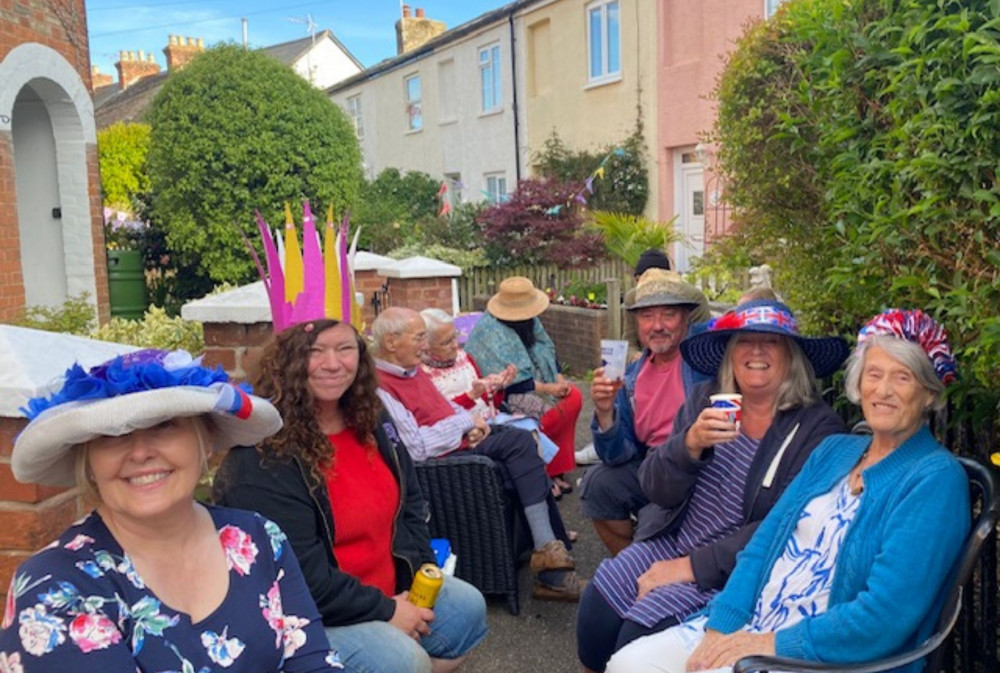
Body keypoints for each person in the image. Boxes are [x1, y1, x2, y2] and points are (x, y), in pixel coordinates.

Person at [606, 308, 969, 673]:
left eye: (903, 378)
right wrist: (720, 626)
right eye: (874, 374)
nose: (884, 390)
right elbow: (764, 544)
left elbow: (885, 616)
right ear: (859, 385)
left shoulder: (935, 480)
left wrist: (768, 643)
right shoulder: (835, 451)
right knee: (628, 663)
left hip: (821, 655)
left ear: (929, 394)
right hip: (755, 625)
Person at [0, 349, 341, 672]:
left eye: (163, 425)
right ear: (89, 461)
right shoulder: (54, 586)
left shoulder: (257, 538)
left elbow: (314, 662)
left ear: (205, 441)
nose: (140, 452)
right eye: (113, 435)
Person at [576, 299, 849, 673]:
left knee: (635, 635)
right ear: (729, 354)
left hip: (733, 572)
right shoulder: (704, 399)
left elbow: (787, 528)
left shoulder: (817, 429)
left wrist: (689, 567)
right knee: (597, 609)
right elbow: (655, 488)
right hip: (670, 538)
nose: (755, 351)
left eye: (770, 341)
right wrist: (689, 445)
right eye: (743, 341)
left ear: (792, 355)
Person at [211, 320, 487, 673]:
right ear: (289, 363)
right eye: (315, 352)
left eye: (345, 349)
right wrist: (388, 612)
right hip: (313, 614)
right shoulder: (265, 456)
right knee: (403, 661)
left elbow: (411, 505)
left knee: (466, 606)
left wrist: (416, 578)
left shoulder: (370, 418)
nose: (333, 363)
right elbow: (302, 579)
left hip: (387, 588)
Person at [371, 307, 584, 602]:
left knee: (524, 451)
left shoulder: (411, 371)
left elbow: (447, 408)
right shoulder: (381, 387)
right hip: (441, 466)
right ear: (391, 342)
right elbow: (414, 447)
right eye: (419, 337)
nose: (425, 344)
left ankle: (550, 561)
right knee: (520, 444)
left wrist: (474, 423)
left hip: (459, 446)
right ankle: (550, 556)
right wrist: (466, 424)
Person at [581, 268, 710, 555]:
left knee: (654, 521)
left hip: (700, 467)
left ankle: (645, 571)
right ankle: (630, 568)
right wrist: (604, 413)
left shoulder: (706, 355)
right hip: (653, 468)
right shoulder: (632, 376)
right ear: (637, 322)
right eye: (647, 316)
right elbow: (618, 455)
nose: (657, 325)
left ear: (687, 317)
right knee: (597, 483)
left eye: (668, 314)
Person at [464, 276, 583, 497]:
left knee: (573, 396)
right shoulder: (490, 330)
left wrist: (558, 379)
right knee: (554, 410)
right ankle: (540, 469)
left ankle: (556, 467)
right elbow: (515, 384)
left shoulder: (530, 321)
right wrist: (549, 390)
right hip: (504, 397)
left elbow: (547, 349)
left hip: (534, 384)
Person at [418, 308, 516, 418]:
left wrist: (497, 387)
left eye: (455, 336)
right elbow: (438, 416)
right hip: (464, 431)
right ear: (426, 346)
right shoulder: (421, 374)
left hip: (488, 421)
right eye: (446, 342)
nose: (455, 345)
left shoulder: (464, 357)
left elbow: (488, 404)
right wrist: (471, 395)